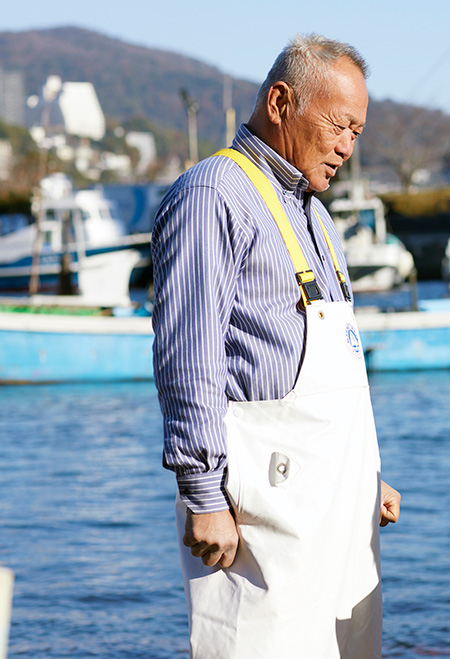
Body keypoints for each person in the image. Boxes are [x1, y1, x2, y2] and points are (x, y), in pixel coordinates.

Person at [151, 34, 400, 659]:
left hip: (334, 514)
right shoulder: (211, 196)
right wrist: (203, 497)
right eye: (339, 125)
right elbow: (189, 359)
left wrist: (365, 479)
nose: (348, 146)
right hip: (260, 512)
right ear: (282, 102)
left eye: (358, 132)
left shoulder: (316, 213)